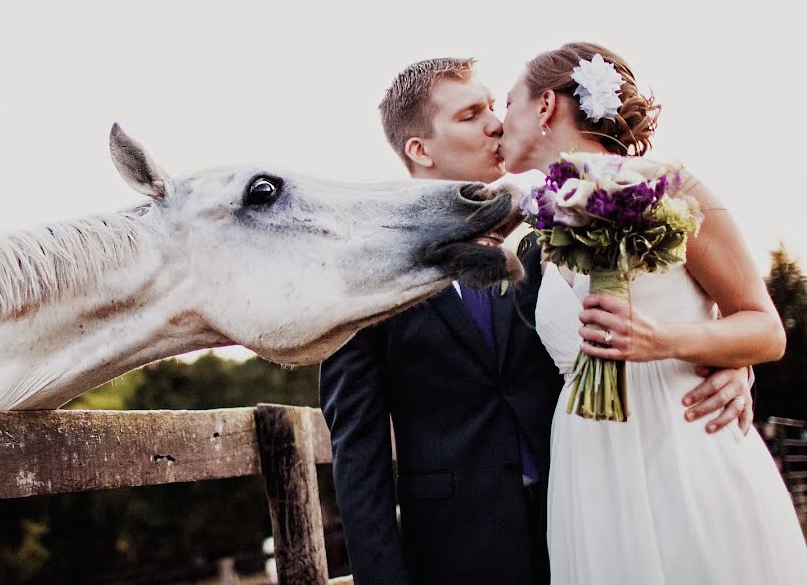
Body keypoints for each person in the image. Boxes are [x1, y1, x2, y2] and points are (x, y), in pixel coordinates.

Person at [320, 57, 755, 585]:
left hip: (584, 518)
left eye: (493, 108)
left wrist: (730, 363)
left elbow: (659, 309)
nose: (496, 124)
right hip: (457, 549)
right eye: (470, 115)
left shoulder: (557, 229)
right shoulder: (365, 275)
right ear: (420, 150)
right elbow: (357, 450)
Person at [497, 41, 807, 583]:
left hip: (683, 440)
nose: (500, 125)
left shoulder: (673, 188)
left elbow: (764, 327)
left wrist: (668, 341)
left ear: (546, 105)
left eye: (508, 104)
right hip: (589, 461)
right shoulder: (541, 233)